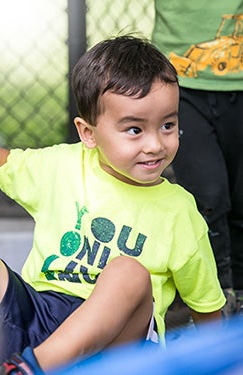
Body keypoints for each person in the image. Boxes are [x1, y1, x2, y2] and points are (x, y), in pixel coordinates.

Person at [0, 35, 225, 374]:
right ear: (88, 133)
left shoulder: (178, 211)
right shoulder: (59, 166)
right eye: (134, 129)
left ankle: (30, 369)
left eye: (168, 125)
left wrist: (218, 362)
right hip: (37, 319)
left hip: (115, 349)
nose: (155, 144)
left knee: (128, 272)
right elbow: (0, 161)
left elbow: (207, 308)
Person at [152, 1, 243, 316]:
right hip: (181, 81)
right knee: (209, 196)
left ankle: (237, 292)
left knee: (240, 198)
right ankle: (214, 300)